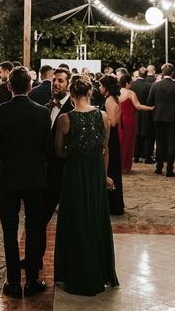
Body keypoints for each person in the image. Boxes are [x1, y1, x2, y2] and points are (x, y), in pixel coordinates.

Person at [0, 66, 51, 299]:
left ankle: (13, 283)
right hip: (34, 177)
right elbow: (47, 149)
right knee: (33, 229)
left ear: (9, 86)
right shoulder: (42, 113)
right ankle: (32, 281)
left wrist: (7, 152)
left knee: (9, 230)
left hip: (8, 177)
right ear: (30, 87)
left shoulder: (0, 111)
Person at [54, 75, 119, 296]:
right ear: (90, 93)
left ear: (71, 95)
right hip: (95, 175)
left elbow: (59, 152)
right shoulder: (102, 117)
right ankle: (99, 272)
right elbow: (105, 150)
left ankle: (76, 272)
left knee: (75, 222)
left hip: (74, 175)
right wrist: (104, 176)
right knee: (95, 220)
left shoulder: (65, 119)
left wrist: (76, 153)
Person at [38, 67, 73, 266]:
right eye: (54, 81)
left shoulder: (74, 108)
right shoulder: (47, 106)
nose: (56, 84)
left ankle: (68, 262)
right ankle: (37, 258)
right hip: (48, 171)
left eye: (60, 81)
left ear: (68, 84)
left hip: (66, 170)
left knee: (68, 221)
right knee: (41, 217)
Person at [147, 63, 175, 177]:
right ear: (172, 73)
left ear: (162, 73)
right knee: (171, 144)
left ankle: (159, 167)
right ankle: (169, 169)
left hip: (158, 117)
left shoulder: (155, 85)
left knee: (159, 142)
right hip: (172, 118)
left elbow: (149, 102)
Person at [99, 75, 124, 215]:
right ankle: (115, 203)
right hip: (113, 137)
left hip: (110, 137)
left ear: (106, 87)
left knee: (110, 169)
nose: (99, 88)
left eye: (101, 85)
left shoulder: (109, 101)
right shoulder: (114, 99)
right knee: (113, 169)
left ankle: (112, 204)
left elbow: (113, 122)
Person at [118, 74, 151, 173]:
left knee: (121, 142)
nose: (131, 85)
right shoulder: (130, 93)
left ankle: (119, 165)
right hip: (129, 120)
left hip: (120, 118)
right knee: (128, 143)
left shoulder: (117, 92)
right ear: (127, 83)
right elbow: (138, 106)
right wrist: (151, 108)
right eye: (130, 83)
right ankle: (125, 166)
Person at [131, 67, 155, 163]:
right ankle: (147, 156)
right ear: (146, 75)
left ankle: (136, 156)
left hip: (135, 112)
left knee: (137, 134)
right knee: (148, 134)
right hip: (147, 111)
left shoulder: (132, 85)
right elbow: (151, 99)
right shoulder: (149, 86)